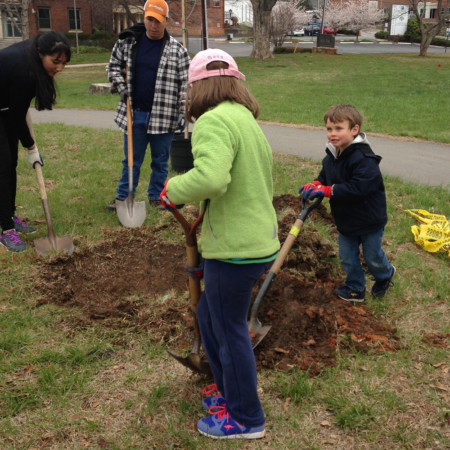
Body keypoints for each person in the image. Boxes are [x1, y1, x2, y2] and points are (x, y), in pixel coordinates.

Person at [160, 49, 280, 439]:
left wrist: (173, 189)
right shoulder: (244, 119)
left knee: (228, 330)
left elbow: (212, 179)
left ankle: (246, 418)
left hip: (234, 248)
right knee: (211, 317)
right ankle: (229, 391)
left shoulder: (213, 122)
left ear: (197, 87)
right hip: (254, 240)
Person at [300, 104, 395, 302]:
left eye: (338, 128)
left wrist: (327, 191)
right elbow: (325, 176)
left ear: (354, 130)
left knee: (372, 257)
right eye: (329, 129)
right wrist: (316, 184)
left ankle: (385, 275)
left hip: (369, 219)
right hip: (346, 218)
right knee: (347, 256)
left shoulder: (364, 159)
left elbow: (359, 189)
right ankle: (355, 288)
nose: (333, 134)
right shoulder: (332, 156)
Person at [106, 0, 190, 212]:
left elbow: (186, 86)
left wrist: (183, 113)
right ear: (144, 17)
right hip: (134, 114)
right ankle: (124, 198)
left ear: (166, 21)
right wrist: (120, 85)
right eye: (149, 19)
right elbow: (113, 66)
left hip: (164, 116)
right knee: (131, 160)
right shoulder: (128, 42)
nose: (153, 25)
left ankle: (157, 196)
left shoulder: (178, 51)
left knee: (160, 161)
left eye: (158, 21)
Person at [0, 31, 71, 252]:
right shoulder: (24, 70)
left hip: (5, 106)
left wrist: (28, 145)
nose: (59, 68)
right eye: (55, 61)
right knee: (2, 165)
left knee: (10, 163)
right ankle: (5, 229)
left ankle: (8, 215)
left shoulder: (35, 57)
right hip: (4, 109)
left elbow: (15, 112)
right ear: (41, 53)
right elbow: (16, 115)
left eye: (64, 63)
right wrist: (31, 146)